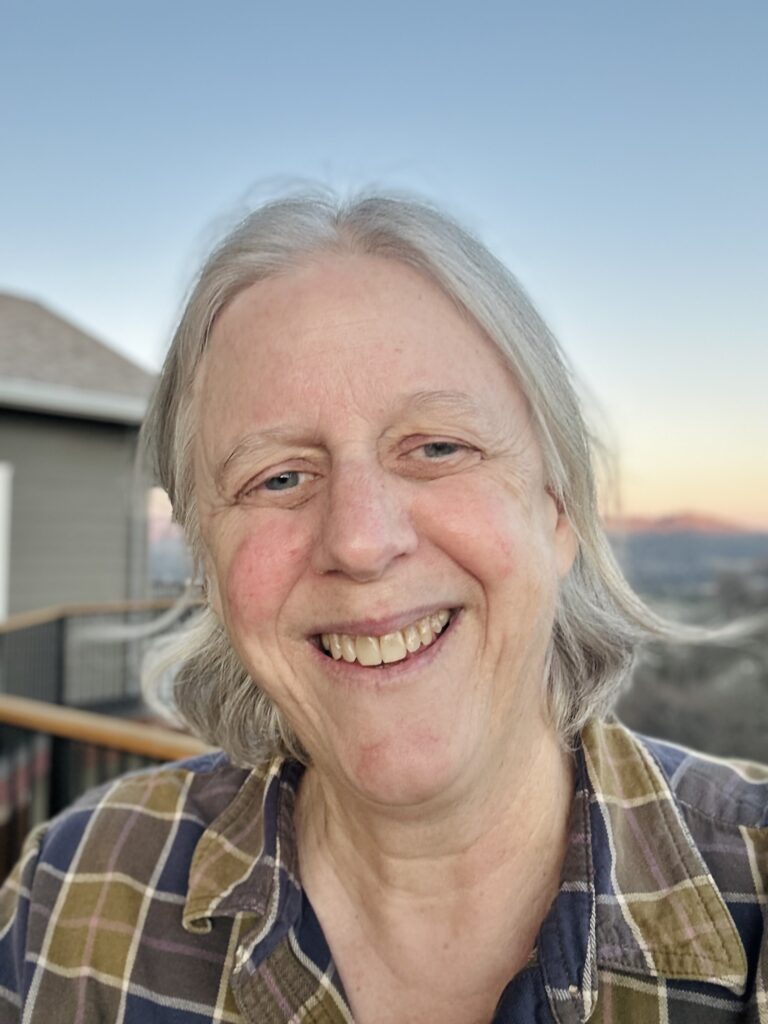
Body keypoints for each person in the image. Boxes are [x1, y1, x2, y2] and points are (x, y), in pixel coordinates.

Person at [1, 190, 766, 1024]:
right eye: (279, 478)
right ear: (206, 561)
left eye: (437, 447)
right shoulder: (70, 896)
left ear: (556, 513)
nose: (361, 541)